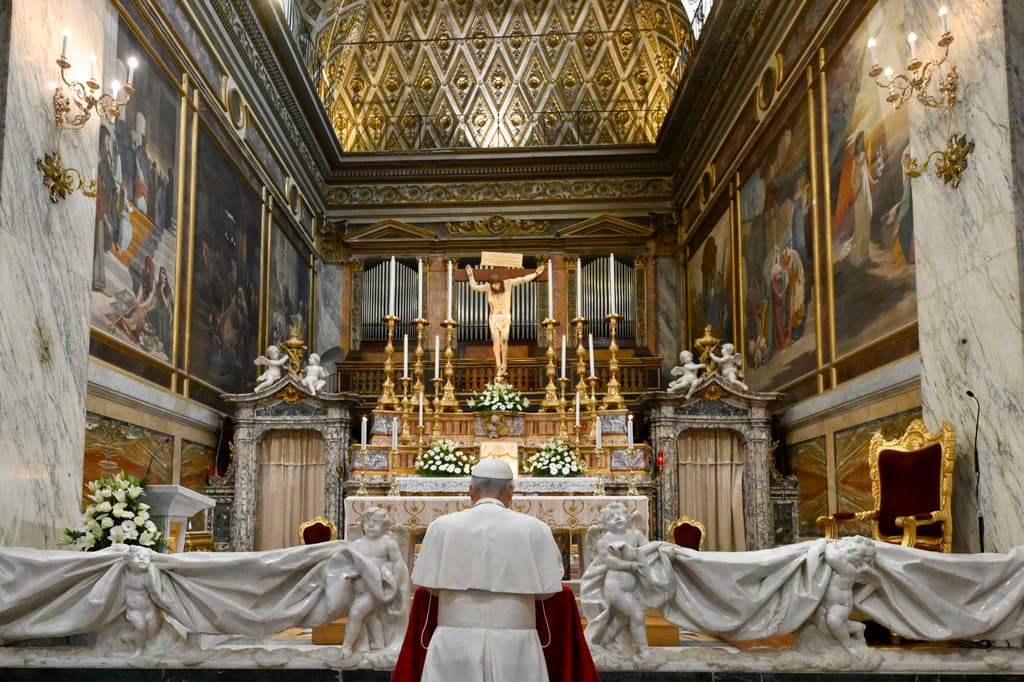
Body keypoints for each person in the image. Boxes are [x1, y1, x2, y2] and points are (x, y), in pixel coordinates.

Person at [411, 457, 564, 682]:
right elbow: (548, 590)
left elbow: (430, 587)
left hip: (453, 640)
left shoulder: (441, 527)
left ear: (470, 491)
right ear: (510, 492)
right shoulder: (535, 529)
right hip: (517, 642)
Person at [340, 507, 409, 658]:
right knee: (370, 616)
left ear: (384, 526)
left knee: (356, 613)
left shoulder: (388, 543)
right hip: (358, 588)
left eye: (376, 522)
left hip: (375, 589)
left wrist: (394, 584)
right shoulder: (356, 544)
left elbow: (398, 564)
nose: (371, 525)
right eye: (368, 521)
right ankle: (378, 642)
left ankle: (347, 645)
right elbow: (348, 564)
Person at [466, 263, 545, 381]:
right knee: (496, 342)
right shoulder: (488, 287)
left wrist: (536, 274)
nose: (495, 287)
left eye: (497, 284)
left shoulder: (508, 283)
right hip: (493, 318)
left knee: (503, 340)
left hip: (505, 317)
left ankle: (504, 363)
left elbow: (523, 279)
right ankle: (499, 364)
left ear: (500, 282)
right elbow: (474, 287)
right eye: (493, 285)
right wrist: (470, 274)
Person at [816, 536, 876, 655]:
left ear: (860, 561)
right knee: (824, 628)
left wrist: (827, 543)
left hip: (841, 606)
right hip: (826, 605)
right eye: (850, 547)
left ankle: (848, 645)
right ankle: (857, 627)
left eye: (855, 553)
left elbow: (832, 557)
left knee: (833, 620)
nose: (849, 550)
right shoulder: (835, 567)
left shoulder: (849, 569)